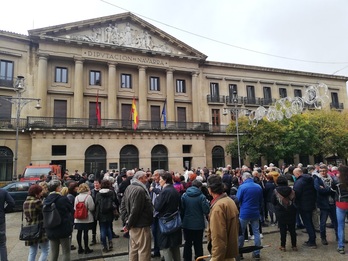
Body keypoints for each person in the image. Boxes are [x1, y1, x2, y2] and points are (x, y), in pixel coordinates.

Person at [120, 171, 153, 261]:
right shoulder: (140, 190)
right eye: (145, 177)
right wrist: (128, 223)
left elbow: (123, 206)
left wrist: (126, 220)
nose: (147, 180)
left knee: (133, 249)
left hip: (133, 224)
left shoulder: (129, 187)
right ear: (140, 179)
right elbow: (136, 210)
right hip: (140, 225)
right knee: (144, 251)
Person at [206, 174, 239, 261]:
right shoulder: (229, 201)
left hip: (223, 255)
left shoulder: (218, 207)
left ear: (210, 189)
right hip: (229, 252)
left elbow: (218, 236)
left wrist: (216, 258)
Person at [154, 171, 182, 261]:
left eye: (161, 179)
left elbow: (158, 207)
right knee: (175, 247)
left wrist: (157, 198)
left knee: (166, 248)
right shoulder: (174, 190)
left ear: (165, 180)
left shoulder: (165, 191)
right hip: (175, 221)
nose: (159, 181)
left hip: (166, 222)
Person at [44, 179, 74, 261]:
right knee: (66, 252)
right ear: (57, 188)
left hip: (50, 228)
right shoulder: (63, 199)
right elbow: (71, 210)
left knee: (54, 253)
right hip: (63, 228)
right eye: (60, 186)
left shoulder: (46, 200)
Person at [181, 179, 210, 261]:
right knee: (198, 243)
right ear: (200, 187)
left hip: (187, 223)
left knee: (187, 243)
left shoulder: (184, 195)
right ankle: (199, 258)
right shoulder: (202, 197)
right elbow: (206, 210)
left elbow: (182, 209)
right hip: (198, 224)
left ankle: (187, 258)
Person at [237, 172, 263, 260]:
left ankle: (239, 252)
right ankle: (257, 253)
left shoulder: (242, 187)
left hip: (244, 212)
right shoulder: (258, 186)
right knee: (256, 232)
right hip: (255, 211)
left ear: (244, 178)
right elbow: (260, 200)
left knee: (241, 232)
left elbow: (237, 199)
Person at [23, 184, 49, 261]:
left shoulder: (25, 202)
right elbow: (45, 212)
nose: (41, 193)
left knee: (32, 251)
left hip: (30, 228)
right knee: (45, 250)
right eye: (40, 192)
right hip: (39, 228)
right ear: (36, 193)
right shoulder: (37, 202)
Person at [293, 167, 317, 249]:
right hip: (311, 203)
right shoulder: (310, 179)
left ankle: (312, 241)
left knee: (308, 223)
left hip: (303, 205)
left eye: (295, 174)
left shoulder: (299, 182)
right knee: (310, 222)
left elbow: (296, 193)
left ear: (297, 174)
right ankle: (312, 238)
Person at [271, 176, 297, 251]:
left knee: (283, 229)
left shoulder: (275, 191)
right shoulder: (291, 190)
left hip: (280, 212)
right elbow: (295, 199)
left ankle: (283, 246)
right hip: (291, 211)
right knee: (292, 229)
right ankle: (294, 245)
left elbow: (273, 201)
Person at [314, 164, 337, 246]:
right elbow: (319, 190)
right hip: (323, 203)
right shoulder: (317, 179)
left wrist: (326, 189)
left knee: (335, 221)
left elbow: (335, 189)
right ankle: (323, 238)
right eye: (321, 171)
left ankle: (339, 237)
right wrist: (329, 189)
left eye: (324, 171)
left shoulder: (332, 178)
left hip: (333, 202)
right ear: (319, 171)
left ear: (327, 171)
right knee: (323, 222)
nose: (323, 172)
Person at [95, 179, 116, 252]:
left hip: (101, 214)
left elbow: (96, 203)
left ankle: (104, 246)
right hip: (109, 212)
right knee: (108, 227)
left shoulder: (98, 194)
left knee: (102, 229)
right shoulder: (111, 192)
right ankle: (110, 241)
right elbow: (115, 200)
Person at [74, 183, 95, 254]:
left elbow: (75, 208)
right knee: (86, 233)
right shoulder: (88, 197)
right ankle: (86, 248)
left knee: (79, 232)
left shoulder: (76, 197)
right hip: (87, 218)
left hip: (78, 218)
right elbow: (92, 207)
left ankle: (80, 248)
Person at [332, 165, 348, 254]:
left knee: (340, 226)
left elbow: (332, 189)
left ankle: (341, 246)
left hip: (341, 203)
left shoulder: (336, 180)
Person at [149, 170, 163, 258]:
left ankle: (165, 253)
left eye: (156, 176)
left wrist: (154, 189)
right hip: (153, 213)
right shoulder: (153, 184)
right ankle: (156, 251)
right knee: (154, 233)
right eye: (153, 176)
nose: (154, 177)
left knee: (163, 233)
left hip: (161, 214)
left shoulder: (163, 186)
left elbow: (163, 195)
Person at [0, 185, 15, 261]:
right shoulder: (3, 192)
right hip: (0, 220)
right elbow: (12, 203)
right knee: (2, 244)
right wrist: (5, 210)